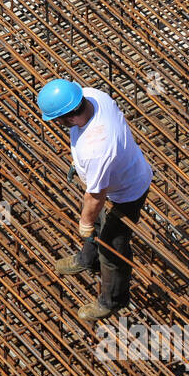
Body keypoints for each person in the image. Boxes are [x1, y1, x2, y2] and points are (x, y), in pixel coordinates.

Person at [38, 79, 153, 322]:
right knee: (98, 226)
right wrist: (78, 164)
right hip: (117, 174)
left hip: (127, 192)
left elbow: (95, 196)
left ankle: (112, 300)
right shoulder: (91, 96)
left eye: (58, 121)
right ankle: (86, 259)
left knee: (113, 246)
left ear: (69, 118)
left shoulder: (98, 148)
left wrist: (84, 222)